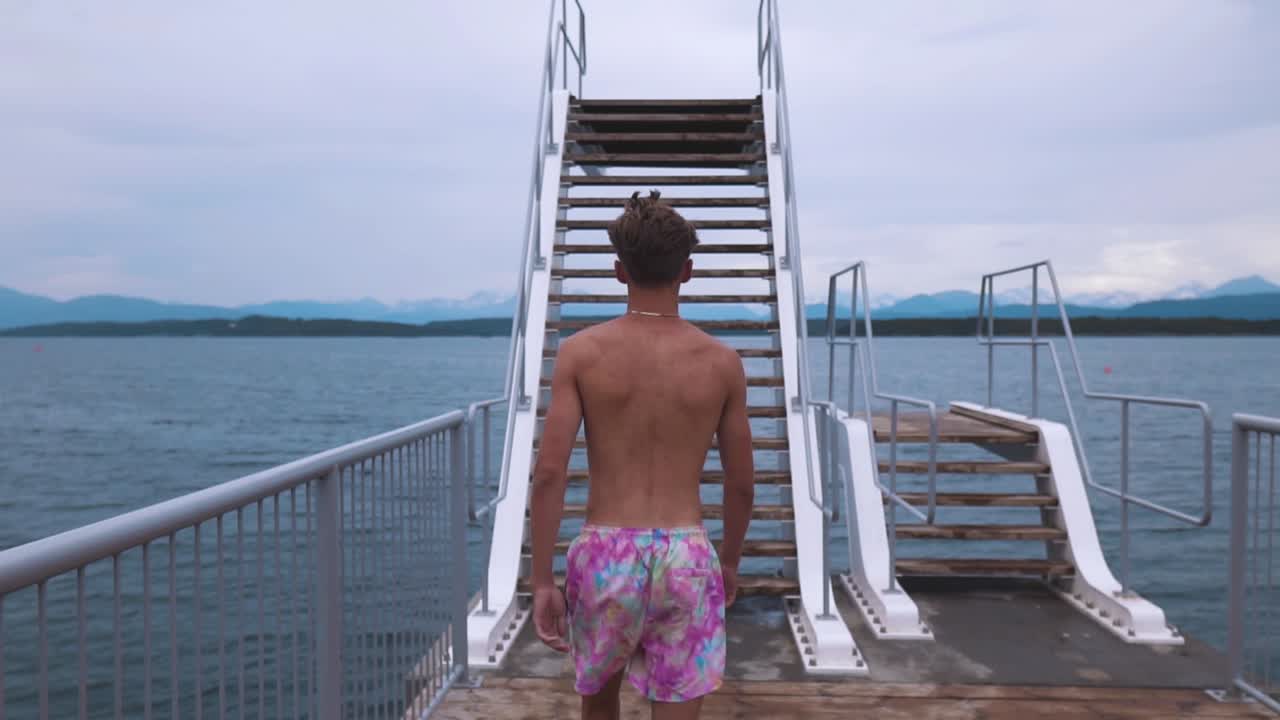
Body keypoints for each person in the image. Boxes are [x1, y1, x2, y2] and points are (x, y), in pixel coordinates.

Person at [529, 190, 756, 720]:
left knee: (598, 707)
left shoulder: (580, 354)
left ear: (619, 272)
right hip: (686, 556)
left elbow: (550, 474)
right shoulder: (722, 363)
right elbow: (741, 483)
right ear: (687, 272)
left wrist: (541, 580)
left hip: (604, 556)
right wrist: (728, 561)